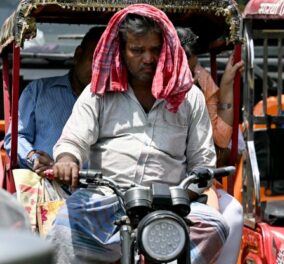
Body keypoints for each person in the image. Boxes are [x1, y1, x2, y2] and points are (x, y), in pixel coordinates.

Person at [47, 4, 228, 264]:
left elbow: (203, 163)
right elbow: (73, 140)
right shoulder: (98, 91)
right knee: (64, 227)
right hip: (106, 200)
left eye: (155, 50)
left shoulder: (191, 98)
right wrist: (67, 159)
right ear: (121, 50)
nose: (148, 58)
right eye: (137, 50)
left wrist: (180, 197)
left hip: (169, 206)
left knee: (216, 226)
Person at [176, 26, 244, 264]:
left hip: (193, 180)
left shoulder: (199, 84)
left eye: (193, 65)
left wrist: (225, 87)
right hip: (154, 181)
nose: (190, 72)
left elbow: (222, 139)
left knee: (232, 213)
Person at [4, 26, 105, 175]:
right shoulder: (38, 90)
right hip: (45, 182)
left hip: (99, 187)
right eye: (93, 60)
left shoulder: (115, 100)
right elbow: (16, 138)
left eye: (105, 64)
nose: (98, 70)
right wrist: (33, 157)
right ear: (78, 55)